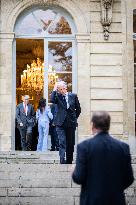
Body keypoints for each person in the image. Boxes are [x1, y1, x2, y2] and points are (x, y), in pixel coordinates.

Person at [72, 111, 134, 205]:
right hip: (116, 200)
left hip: (92, 201)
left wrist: (74, 171)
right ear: (108, 126)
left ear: (92, 125)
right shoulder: (123, 147)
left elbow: (79, 178)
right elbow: (129, 178)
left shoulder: (84, 147)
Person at [51, 81, 81, 164]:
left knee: (70, 143)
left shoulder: (73, 96)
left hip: (71, 123)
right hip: (60, 123)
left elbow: (78, 109)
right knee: (62, 141)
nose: (60, 91)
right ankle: (62, 159)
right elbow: (52, 100)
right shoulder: (58, 96)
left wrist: (74, 118)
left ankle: (69, 160)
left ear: (65, 89)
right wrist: (54, 88)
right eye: (59, 90)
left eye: (61, 89)